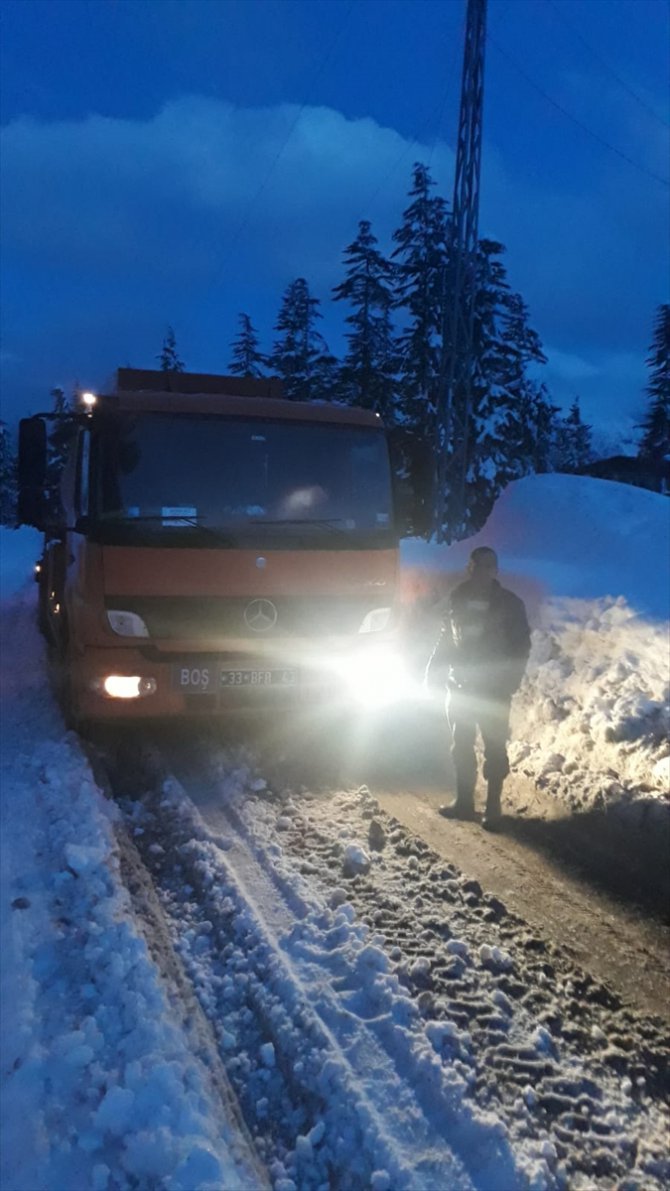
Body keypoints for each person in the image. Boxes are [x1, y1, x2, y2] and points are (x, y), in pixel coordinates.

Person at [426, 546, 531, 830]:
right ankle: (463, 801)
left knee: (495, 747)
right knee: (461, 744)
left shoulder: (510, 604)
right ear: (468, 568)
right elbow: (447, 637)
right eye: (474, 567)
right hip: (460, 685)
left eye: (486, 567)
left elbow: (521, 647)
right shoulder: (458, 598)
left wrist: (511, 680)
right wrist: (434, 668)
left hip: (493, 689)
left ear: (495, 571)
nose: (479, 573)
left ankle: (493, 808)